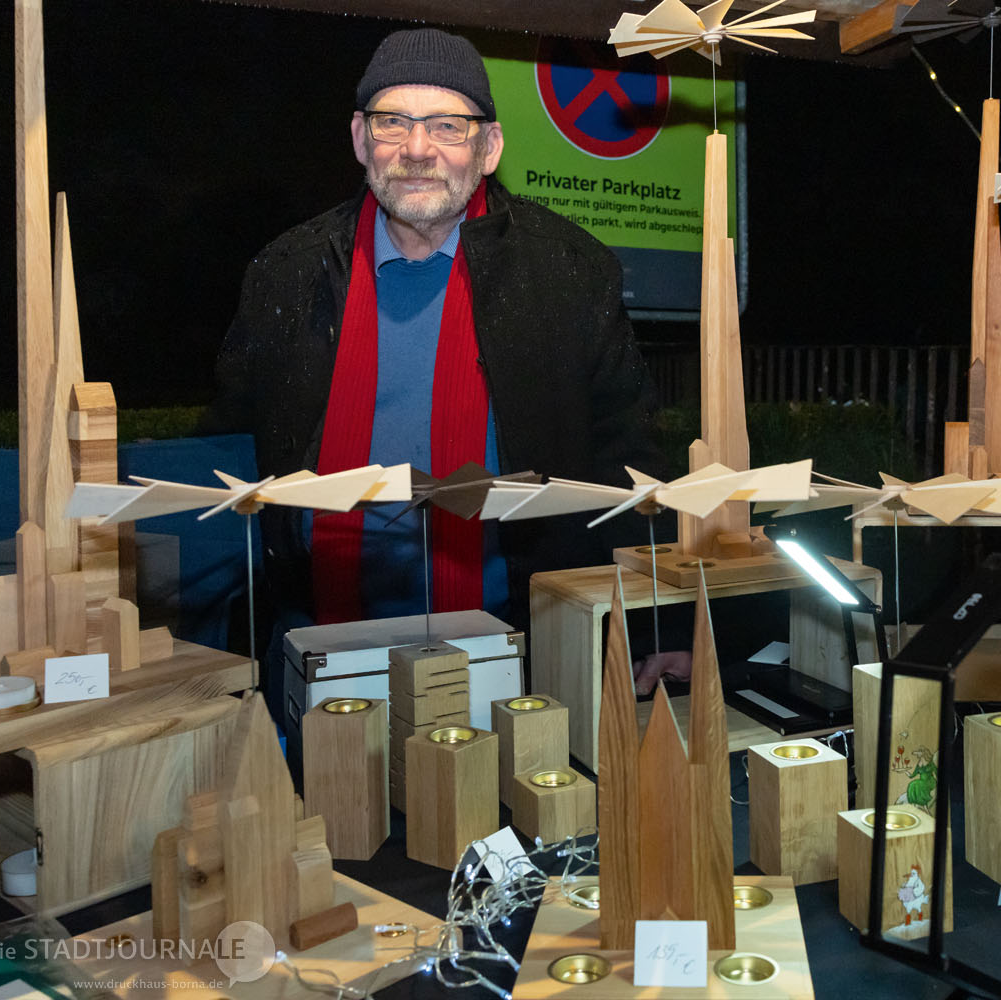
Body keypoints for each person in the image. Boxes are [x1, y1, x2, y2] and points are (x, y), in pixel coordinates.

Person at [205, 28, 662, 653]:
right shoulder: (286, 272)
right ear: (361, 139)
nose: (417, 149)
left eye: (448, 126)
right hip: (311, 639)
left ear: (489, 147)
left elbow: (628, 461)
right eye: (392, 122)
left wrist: (656, 628)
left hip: (525, 641)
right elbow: (229, 455)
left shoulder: (570, 272)